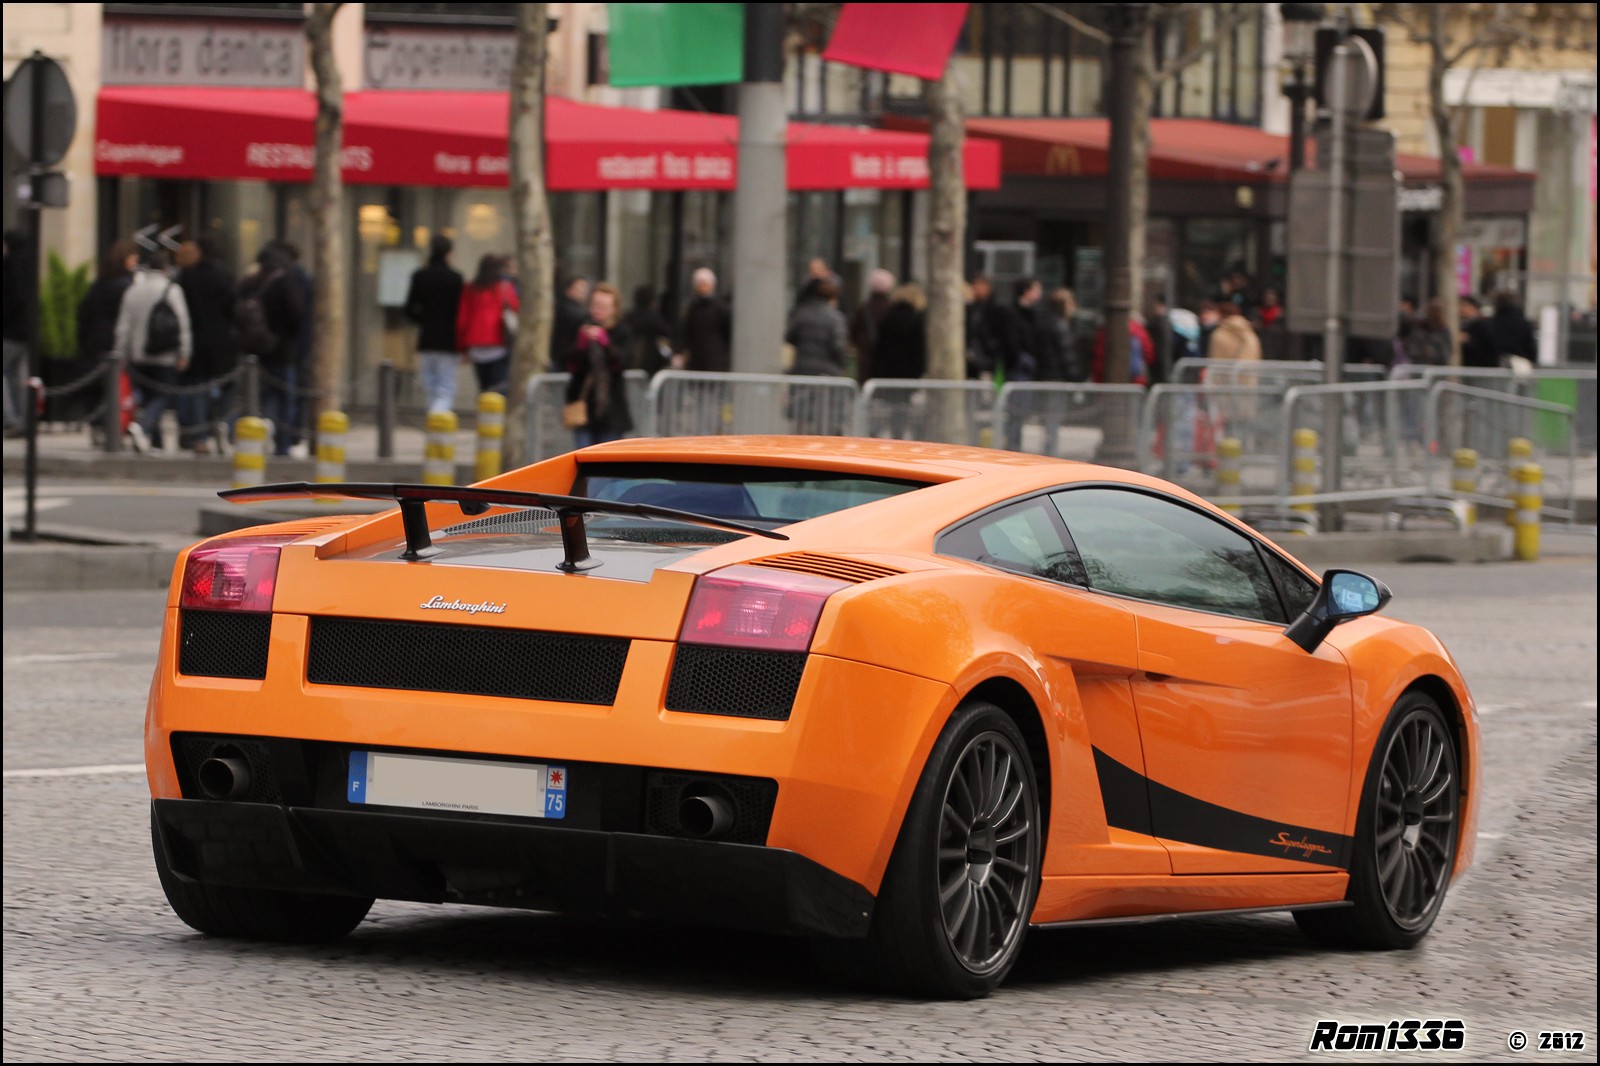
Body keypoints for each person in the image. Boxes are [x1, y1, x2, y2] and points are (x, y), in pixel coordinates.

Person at [114, 250, 192, 453]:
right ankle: (144, 427)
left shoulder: (133, 290)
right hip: (165, 354)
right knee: (163, 395)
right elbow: (183, 323)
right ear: (166, 268)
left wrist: (121, 353)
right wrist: (185, 351)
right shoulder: (172, 290)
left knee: (149, 397)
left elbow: (123, 326)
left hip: (139, 354)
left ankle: (154, 441)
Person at [235, 245, 305, 456]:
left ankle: (245, 436)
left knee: (258, 399)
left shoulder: (250, 283)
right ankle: (282, 444)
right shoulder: (285, 284)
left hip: (255, 351)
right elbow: (296, 316)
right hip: (281, 351)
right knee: (286, 400)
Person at [175, 237, 237, 453]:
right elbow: (232, 309)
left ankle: (200, 436)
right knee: (227, 387)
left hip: (196, 340)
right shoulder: (225, 276)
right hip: (222, 341)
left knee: (198, 389)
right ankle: (223, 425)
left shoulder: (187, 276)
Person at [76, 238, 139, 441]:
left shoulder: (100, 284)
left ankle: (97, 427)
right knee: (115, 387)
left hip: (94, 340)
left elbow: (84, 313)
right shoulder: (128, 285)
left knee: (97, 386)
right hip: (113, 341)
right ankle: (111, 428)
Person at [564, 282, 634, 447]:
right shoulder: (580, 326)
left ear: (614, 309)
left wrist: (606, 344)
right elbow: (568, 363)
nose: (597, 311)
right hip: (583, 405)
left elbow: (622, 364)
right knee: (584, 459)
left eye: (603, 307)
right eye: (594, 305)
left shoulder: (622, 332)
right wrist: (580, 346)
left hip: (610, 407)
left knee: (606, 462)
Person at [404, 234, 465, 415]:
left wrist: (424, 321)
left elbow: (409, 308)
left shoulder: (420, 276)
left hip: (427, 338)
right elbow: (460, 311)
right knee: (445, 386)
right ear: (449, 253)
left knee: (430, 386)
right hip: (449, 340)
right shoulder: (455, 278)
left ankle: (434, 423)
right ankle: (438, 422)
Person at [785, 275, 848, 433]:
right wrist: (843, 365)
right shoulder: (835, 317)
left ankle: (799, 446)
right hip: (827, 372)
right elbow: (838, 346)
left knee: (802, 413)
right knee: (827, 414)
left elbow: (789, 336)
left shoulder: (801, 313)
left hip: (803, 369)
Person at [456, 254, 518, 395]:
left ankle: (485, 414)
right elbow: (515, 308)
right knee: (498, 388)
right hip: (499, 343)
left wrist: (462, 348)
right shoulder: (505, 288)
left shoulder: (470, 289)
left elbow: (462, 320)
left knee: (484, 388)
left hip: (476, 345)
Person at [870, 282, 926, 439]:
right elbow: (918, 350)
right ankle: (900, 435)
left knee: (890, 406)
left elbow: (879, 347)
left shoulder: (887, 317)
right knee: (903, 407)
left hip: (888, 371)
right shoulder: (917, 319)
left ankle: (891, 434)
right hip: (908, 372)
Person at [676, 267, 731, 373]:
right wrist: (680, 351)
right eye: (700, 284)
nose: (702, 288)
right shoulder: (693, 309)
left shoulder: (721, 308)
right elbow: (686, 331)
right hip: (697, 359)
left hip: (716, 360)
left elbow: (727, 333)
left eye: (705, 284)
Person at [3, 231, 30, 437]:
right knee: (21, 378)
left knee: (7, 374)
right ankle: (24, 419)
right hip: (26, 332)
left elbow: (12, 300)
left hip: (10, 331)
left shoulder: (10, 266)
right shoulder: (29, 264)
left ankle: (11, 418)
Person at [849, 268, 895, 383]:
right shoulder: (892, 309)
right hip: (887, 360)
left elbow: (853, 333)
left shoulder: (864, 308)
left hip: (866, 359)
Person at [622, 285, 673, 376]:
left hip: (632, 361)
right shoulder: (653, 317)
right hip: (650, 362)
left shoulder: (629, 316)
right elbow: (666, 331)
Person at [551, 274, 588, 374]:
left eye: (584, 288)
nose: (583, 292)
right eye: (579, 288)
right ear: (569, 290)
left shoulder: (571, 308)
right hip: (564, 360)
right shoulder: (570, 310)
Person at [1486, 290, 1536, 365]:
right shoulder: (1522, 321)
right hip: (1520, 364)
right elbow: (1530, 345)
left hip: (1496, 363)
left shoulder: (1492, 322)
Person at [1459, 295, 1498, 368]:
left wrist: (1468, 340)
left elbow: (1486, 348)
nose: (1461, 309)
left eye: (1464, 305)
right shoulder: (1463, 325)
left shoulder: (1483, 325)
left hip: (1481, 368)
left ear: (1473, 307)